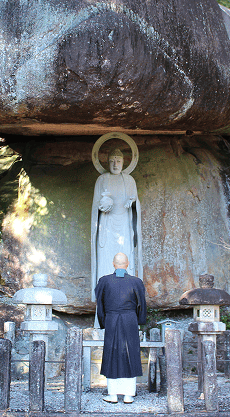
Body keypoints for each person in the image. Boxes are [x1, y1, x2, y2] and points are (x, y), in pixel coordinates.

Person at [94, 252, 147, 404]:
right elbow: (141, 304)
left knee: (112, 353)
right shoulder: (136, 282)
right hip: (130, 319)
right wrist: (138, 320)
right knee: (131, 352)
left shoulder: (104, 281)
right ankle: (129, 395)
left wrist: (103, 322)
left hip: (111, 319)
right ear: (127, 264)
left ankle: (112, 395)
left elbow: (100, 305)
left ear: (113, 263)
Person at [90, 148, 141, 302]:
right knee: (106, 259)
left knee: (126, 257)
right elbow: (96, 206)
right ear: (106, 163)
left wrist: (131, 203)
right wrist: (104, 204)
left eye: (118, 161)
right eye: (112, 161)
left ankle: (127, 296)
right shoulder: (102, 179)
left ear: (124, 163)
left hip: (124, 226)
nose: (115, 164)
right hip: (106, 226)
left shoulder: (130, 180)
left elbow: (135, 203)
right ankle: (105, 296)